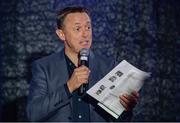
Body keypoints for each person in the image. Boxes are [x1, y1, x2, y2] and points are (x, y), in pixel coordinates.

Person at [26, 6, 139, 122]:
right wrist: (68, 87)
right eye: (78, 29)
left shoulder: (109, 66)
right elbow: (33, 113)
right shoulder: (44, 67)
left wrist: (125, 109)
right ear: (61, 34)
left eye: (88, 27)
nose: (85, 34)